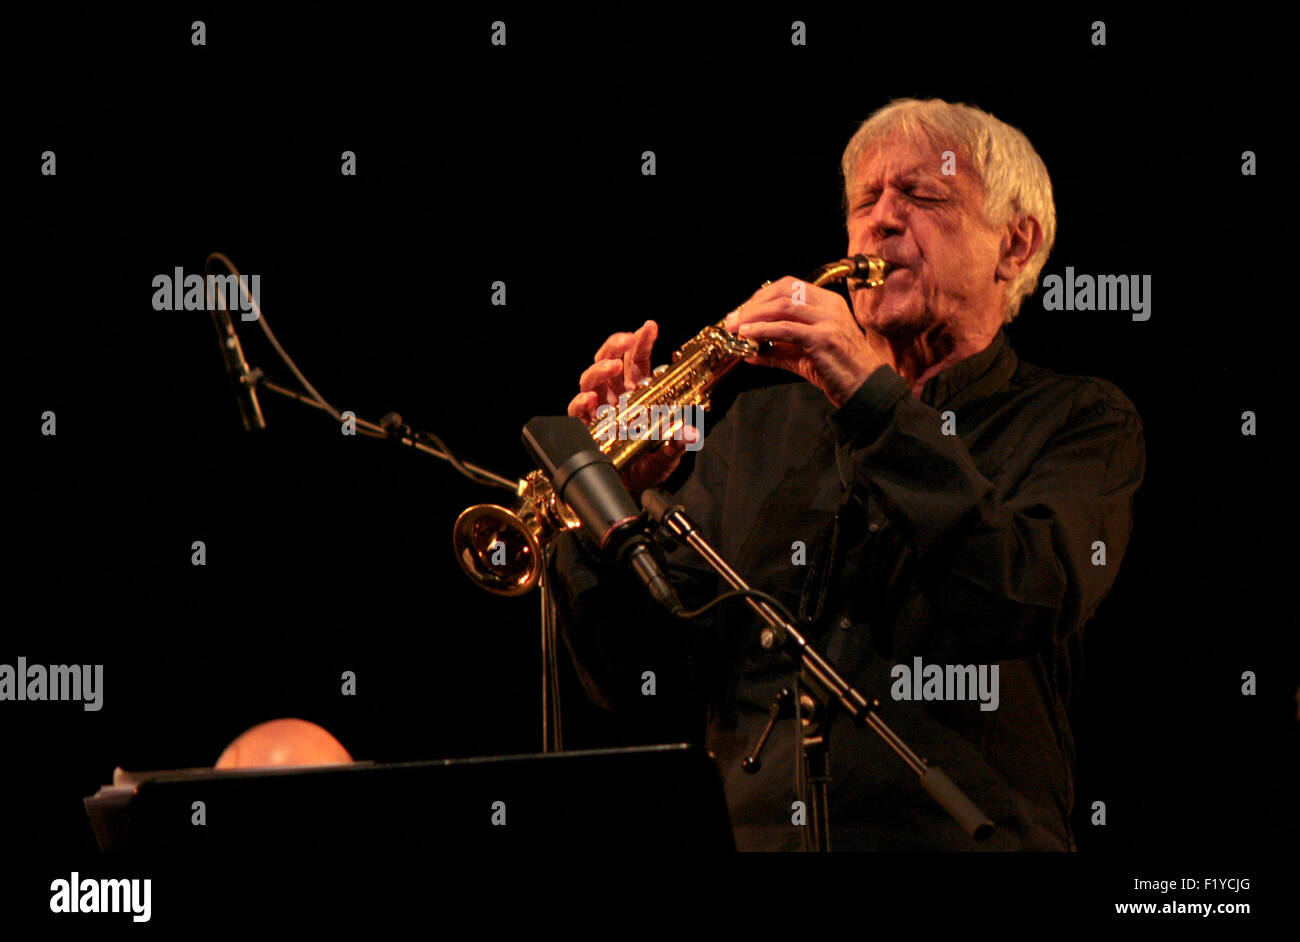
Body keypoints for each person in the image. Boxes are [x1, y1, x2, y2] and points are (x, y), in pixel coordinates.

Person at [551, 98, 1145, 851]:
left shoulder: (1080, 417)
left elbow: (1026, 594)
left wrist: (871, 401)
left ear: (1014, 244)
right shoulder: (756, 428)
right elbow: (643, 681)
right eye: (865, 201)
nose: (880, 222)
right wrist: (610, 503)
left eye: (921, 196)